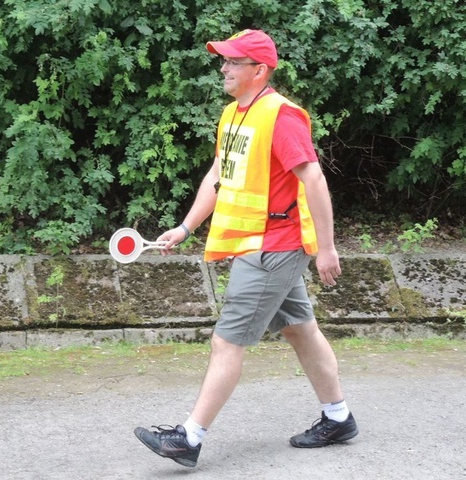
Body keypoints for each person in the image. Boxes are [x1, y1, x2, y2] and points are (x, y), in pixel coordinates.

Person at [133, 29, 358, 467]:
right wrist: (184, 227)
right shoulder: (233, 115)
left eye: (234, 62)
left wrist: (327, 248)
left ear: (259, 70)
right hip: (256, 243)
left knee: (226, 341)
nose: (224, 68)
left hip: (274, 246)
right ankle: (339, 417)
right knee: (299, 329)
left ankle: (188, 438)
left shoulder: (282, 116)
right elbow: (220, 174)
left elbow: (314, 179)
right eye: (224, 60)